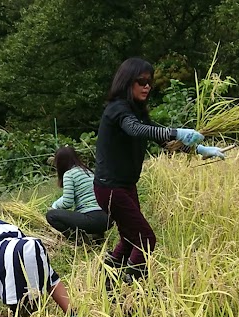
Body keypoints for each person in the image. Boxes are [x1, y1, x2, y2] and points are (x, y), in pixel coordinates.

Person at [93, 57, 225, 283]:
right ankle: (132, 290)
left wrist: (200, 149)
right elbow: (135, 130)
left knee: (129, 239)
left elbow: (161, 138)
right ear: (126, 82)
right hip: (111, 188)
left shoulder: (136, 111)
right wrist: (176, 131)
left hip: (124, 186)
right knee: (145, 239)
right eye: (141, 81)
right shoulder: (118, 110)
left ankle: (108, 282)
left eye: (149, 82)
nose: (147, 86)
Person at [45, 146, 109, 240]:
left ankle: (79, 240)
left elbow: (67, 202)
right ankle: (97, 237)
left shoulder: (69, 174)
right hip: (107, 219)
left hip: (92, 218)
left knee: (51, 215)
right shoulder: (88, 171)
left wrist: (54, 206)